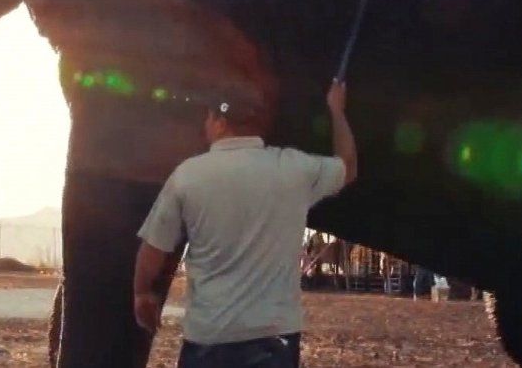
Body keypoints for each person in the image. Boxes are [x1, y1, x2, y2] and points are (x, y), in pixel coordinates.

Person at [134, 79, 358, 368]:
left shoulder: (188, 176)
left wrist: (142, 293)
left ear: (219, 121)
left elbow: (154, 248)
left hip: (208, 338)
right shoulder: (292, 169)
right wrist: (337, 110)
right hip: (273, 338)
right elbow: (348, 166)